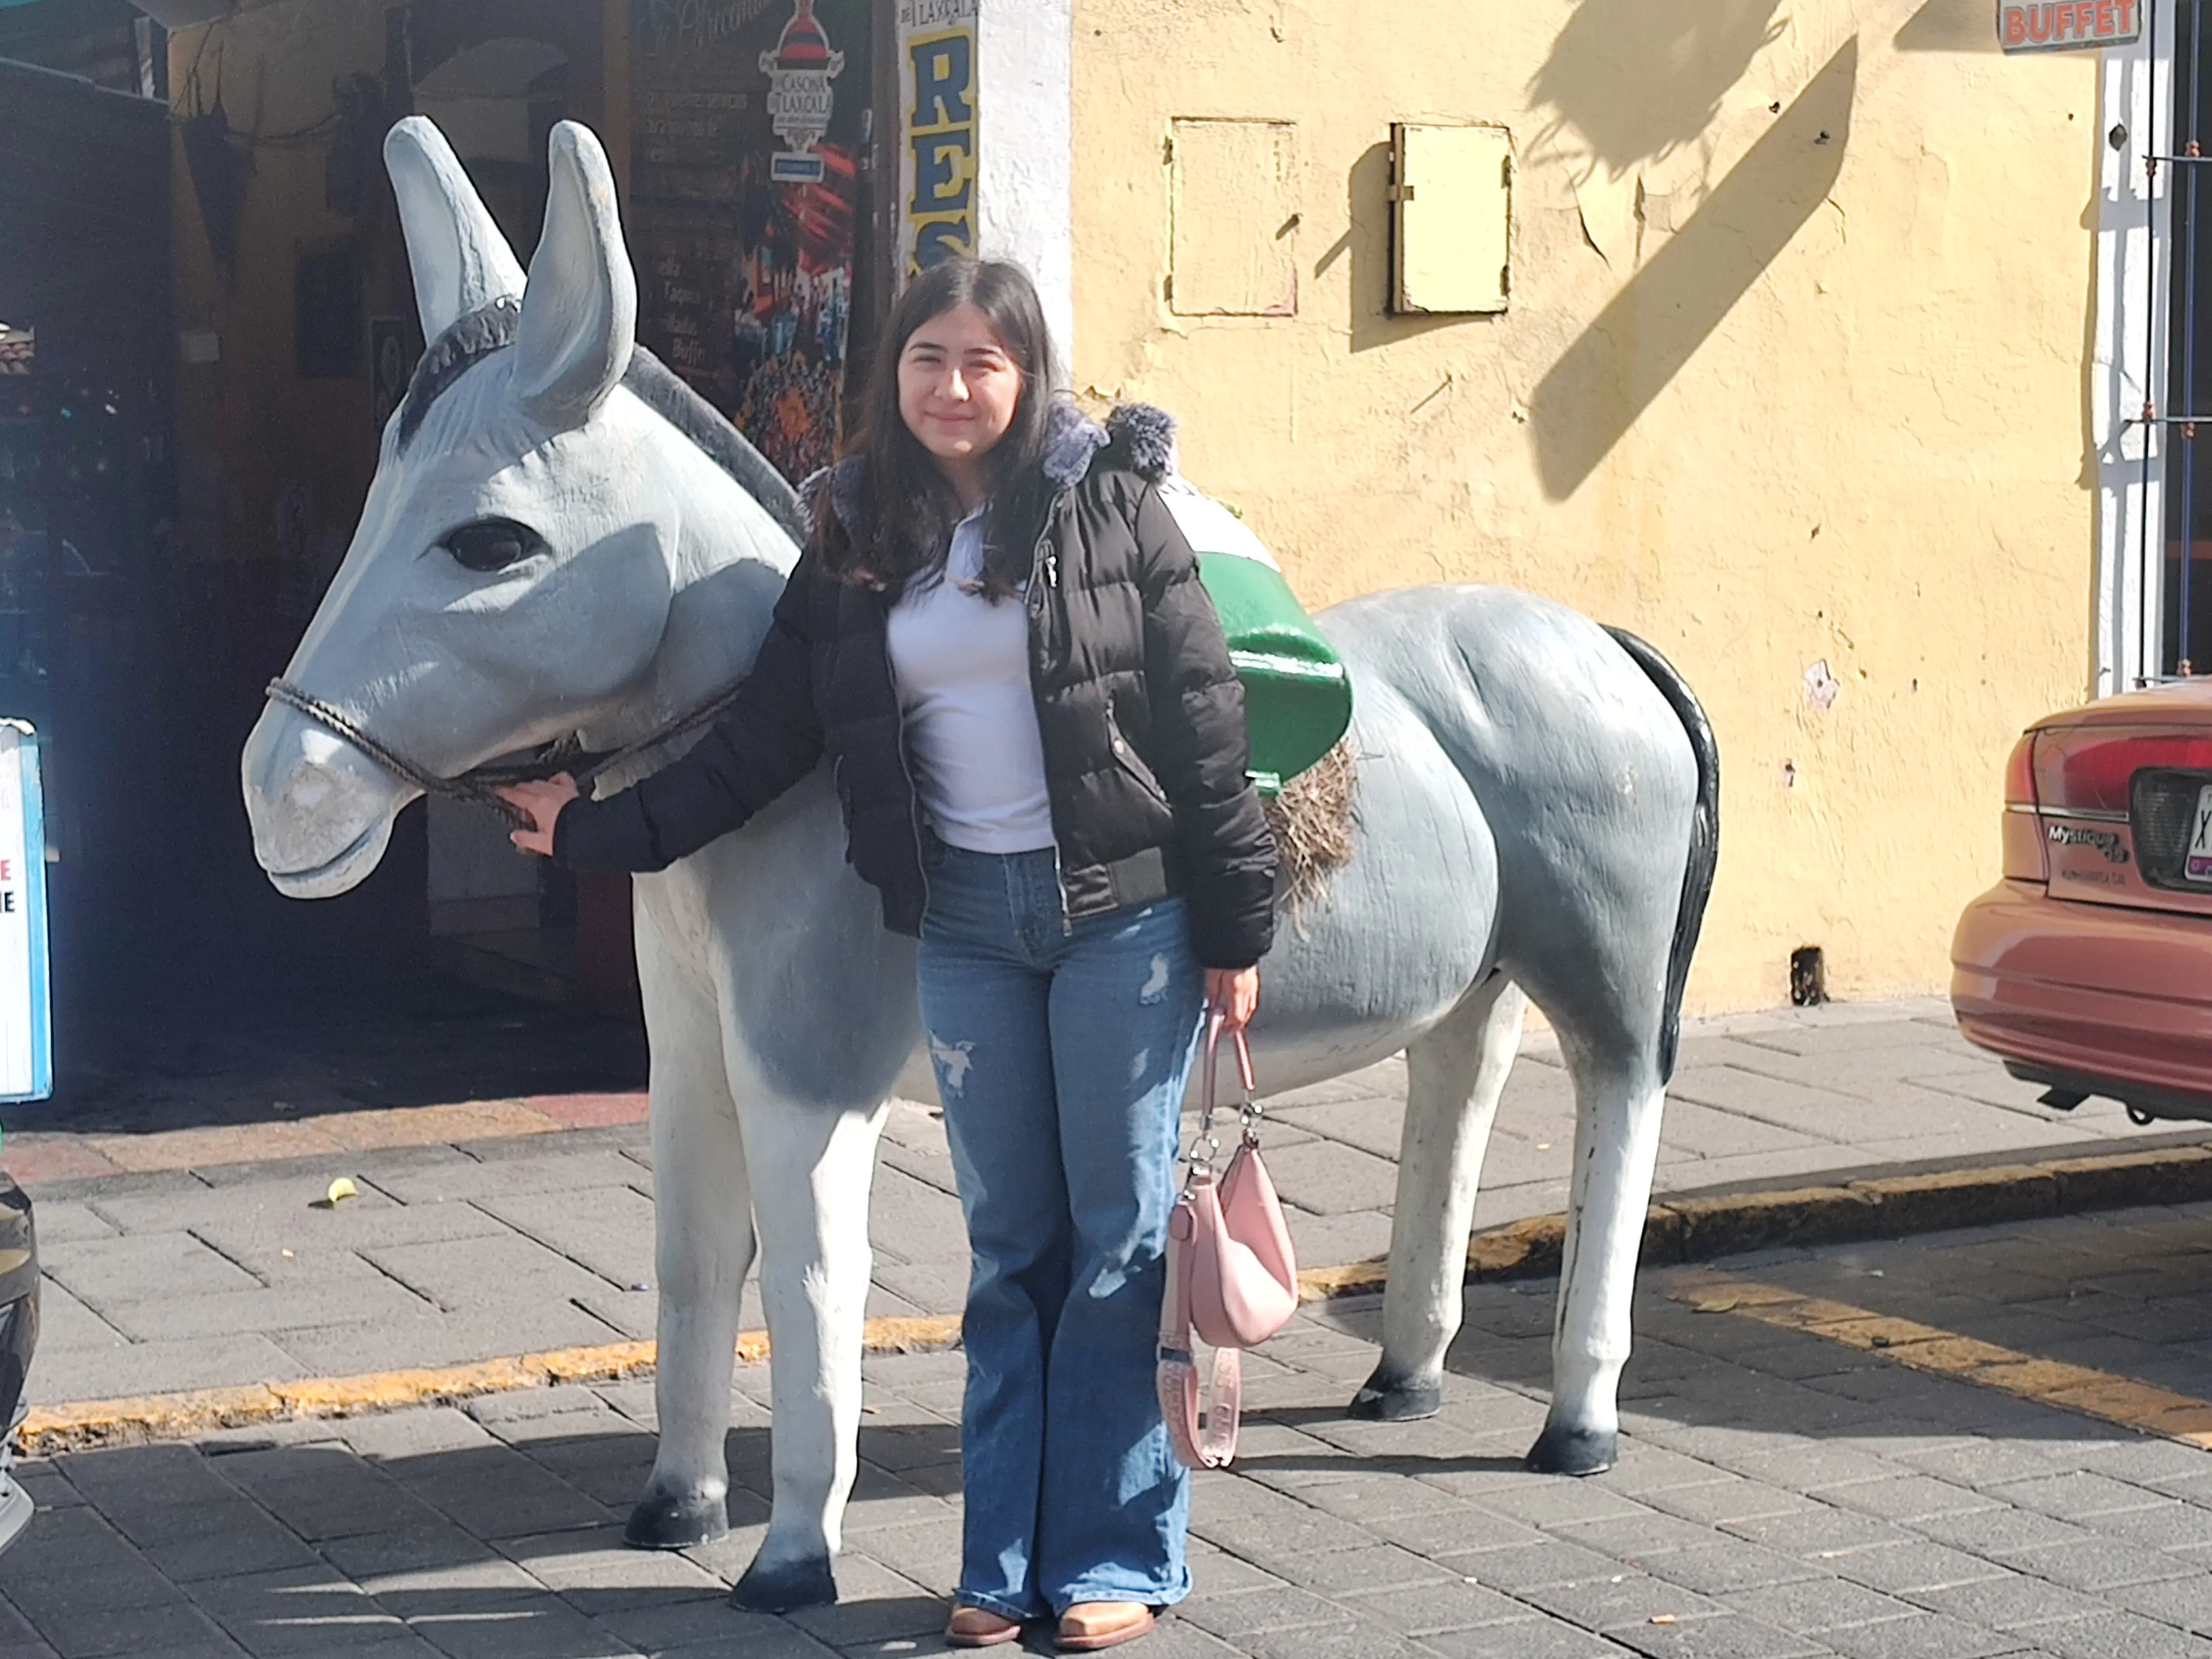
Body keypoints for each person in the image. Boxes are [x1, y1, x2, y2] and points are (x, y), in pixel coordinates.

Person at [500, 257, 1276, 1653]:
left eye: (986, 361)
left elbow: (1205, 719)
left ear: (1029, 375)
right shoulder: (857, 529)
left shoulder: (1110, 505)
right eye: (930, 358)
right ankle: (1003, 1561)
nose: (956, 387)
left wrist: (1235, 930)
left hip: (1126, 922)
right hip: (971, 927)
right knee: (1009, 1250)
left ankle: (1114, 1560)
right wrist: (596, 833)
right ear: (893, 374)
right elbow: (767, 736)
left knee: (1113, 1250)